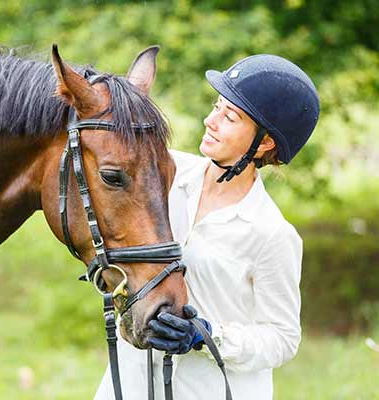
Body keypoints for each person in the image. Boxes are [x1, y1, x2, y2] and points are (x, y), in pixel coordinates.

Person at [94, 54, 320, 400]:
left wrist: (207, 335)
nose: (210, 121)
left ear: (264, 143)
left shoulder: (271, 233)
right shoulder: (163, 175)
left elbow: (283, 337)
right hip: (131, 382)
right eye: (216, 107)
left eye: (229, 117)